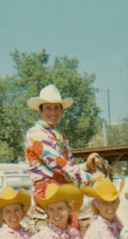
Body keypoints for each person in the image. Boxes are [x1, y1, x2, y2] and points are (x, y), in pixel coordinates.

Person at [25, 84, 105, 215]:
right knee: (69, 217)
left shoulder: (60, 136)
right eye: (48, 108)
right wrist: (89, 177)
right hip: (47, 187)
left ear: (61, 111)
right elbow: (56, 162)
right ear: (40, 111)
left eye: (56, 108)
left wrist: (87, 166)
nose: (53, 112)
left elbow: (68, 165)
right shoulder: (36, 133)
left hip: (63, 186)